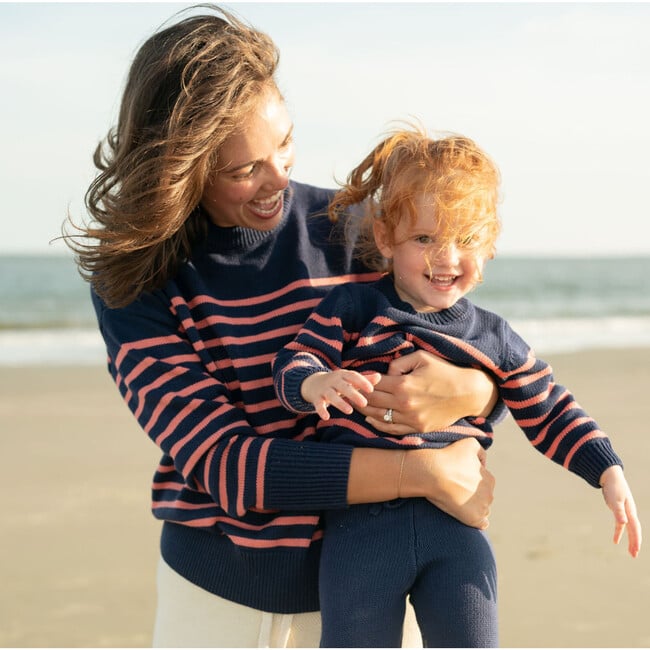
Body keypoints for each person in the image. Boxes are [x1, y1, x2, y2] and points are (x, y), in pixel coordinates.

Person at [62, 6, 501, 648]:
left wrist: (473, 394)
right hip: (221, 606)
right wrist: (425, 475)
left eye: (285, 143)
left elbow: (478, 344)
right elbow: (227, 465)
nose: (280, 180)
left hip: (378, 591)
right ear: (179, 165)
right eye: (244, 170)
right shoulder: (136, 285)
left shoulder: (357, 230)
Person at [272, 126, 643, 648]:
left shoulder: (493, 337)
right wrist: (315, 382)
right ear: (386, 238)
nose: (446, 258)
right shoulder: (352, 309)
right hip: (361, 532)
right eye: (425, 239)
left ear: (489, 245)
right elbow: (296, 359)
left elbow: (549, 407)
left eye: (466, 240)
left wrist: (605, 467)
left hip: (458, 526)